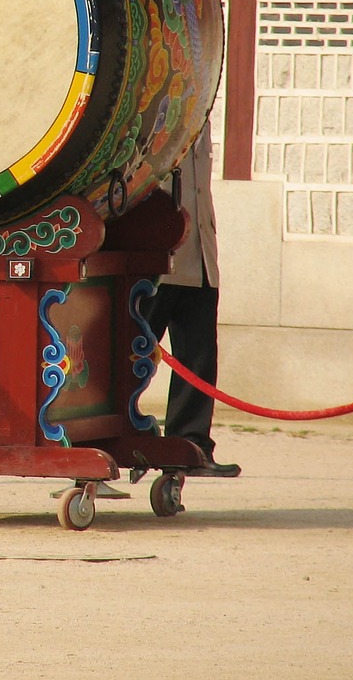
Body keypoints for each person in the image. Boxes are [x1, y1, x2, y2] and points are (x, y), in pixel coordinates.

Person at [143, 121, 240, 478]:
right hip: (154, 259)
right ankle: (102, 443)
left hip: (198, 258)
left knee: (199, 358)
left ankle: (191, 444)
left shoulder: (200, 114)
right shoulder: (158, 106)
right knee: (126, 358)